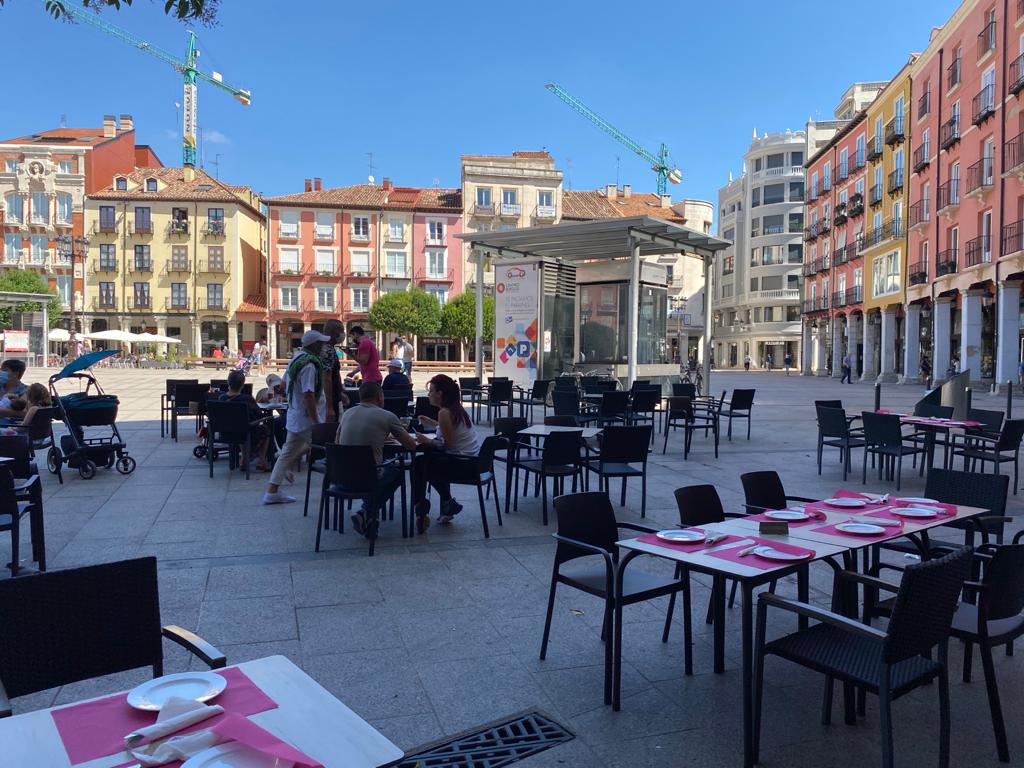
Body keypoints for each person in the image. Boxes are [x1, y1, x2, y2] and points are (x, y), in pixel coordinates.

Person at [335, 381, 418, 538]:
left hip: (341, 478)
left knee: (375, 468)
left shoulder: (347, 414)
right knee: (396, 472)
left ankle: (370, 517)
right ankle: (367, 511)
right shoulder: (386, 416)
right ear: (380, 397)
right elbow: (411, 446)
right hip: (368, 478)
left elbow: (338, 442)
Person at [263, 329, 329, 504]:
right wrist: (317, 422)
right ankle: (339, 485)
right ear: (314, 345)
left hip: (295, 414)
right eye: (321, 343)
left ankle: (273, 490)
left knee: (290, 451)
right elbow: (309, 395)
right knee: (332, 446)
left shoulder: (297, 359)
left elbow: (284, 384)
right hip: (307, 418)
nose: (324, 346)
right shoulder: (310, 365)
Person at [411, 374, 481, 530]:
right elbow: (451, 431)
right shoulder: (456, 409)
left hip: (462, 465)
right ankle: (446, 504)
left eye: (431, 391)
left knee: (419, 465)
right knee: (427, 462)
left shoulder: (444, 412)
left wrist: (426, 440)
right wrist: (432, 423)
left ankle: (421, 509)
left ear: (440, 393)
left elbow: (447, 445)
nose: (429, 394)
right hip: (472, 462)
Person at [219, 369, 271, 471]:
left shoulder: (221, 398)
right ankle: (262, 460)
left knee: (241, 426)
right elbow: (259, 416)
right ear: (243, 384)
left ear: (228, 383)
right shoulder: (246, 399)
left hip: (225, 433)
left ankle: (244, 458)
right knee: (266, 429)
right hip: (245, 433)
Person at [321, 319, 349, 423]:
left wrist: (340, 392)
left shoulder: (329, 348)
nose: (343, 335)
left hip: (334, 397)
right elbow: (326, 378)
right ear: (334, 332)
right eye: (341, 331)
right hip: (329, 400)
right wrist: (329, 407)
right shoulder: (327, 350)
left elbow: (334, 374)